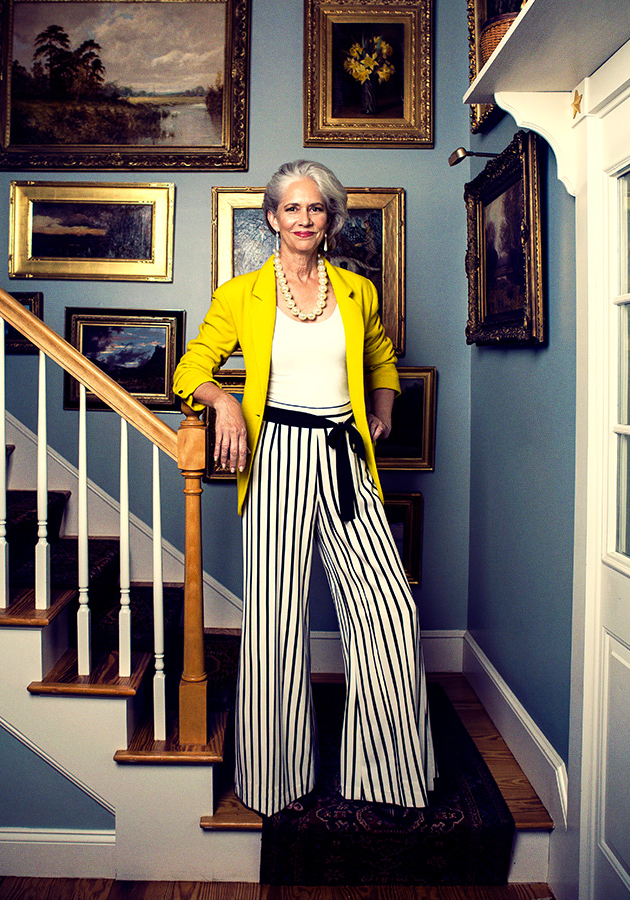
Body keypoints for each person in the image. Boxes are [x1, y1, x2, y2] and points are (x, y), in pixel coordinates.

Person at [173, 160, 435, 818]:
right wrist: (223, 404)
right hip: (278, 455)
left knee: (390, 608)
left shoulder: (355, 290)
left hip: (345, 452)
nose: (303, 218)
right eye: (291, 208)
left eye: (315, 208)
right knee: (278, 620)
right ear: (272, 219)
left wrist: (383, 408)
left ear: (330, 219)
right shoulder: (241, 295)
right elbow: (191, 366)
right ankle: (273, 779)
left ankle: (386, 775)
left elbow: (379, 355)